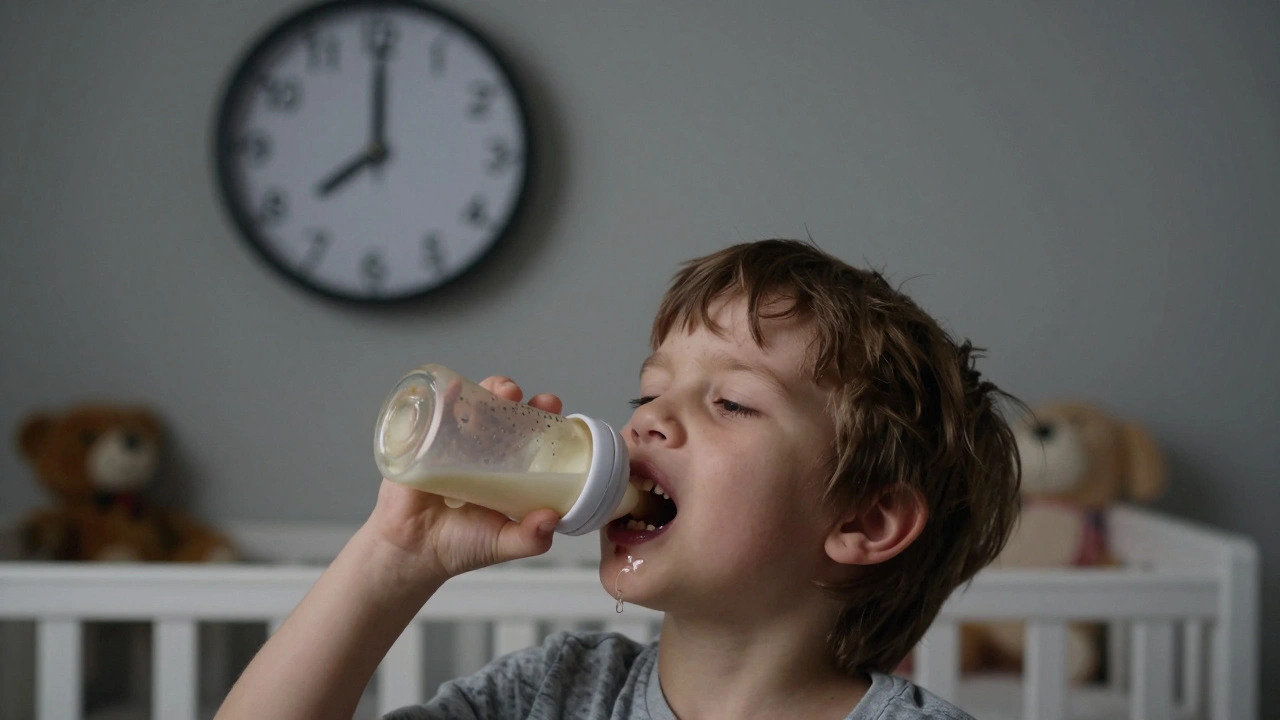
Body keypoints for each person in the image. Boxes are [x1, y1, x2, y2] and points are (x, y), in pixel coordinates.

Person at [215, 239, 1022, 720]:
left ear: (866, 520)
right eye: (648, 391)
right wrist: (393, 555)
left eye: (732, 403)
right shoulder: (558, 694)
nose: (644, 423)